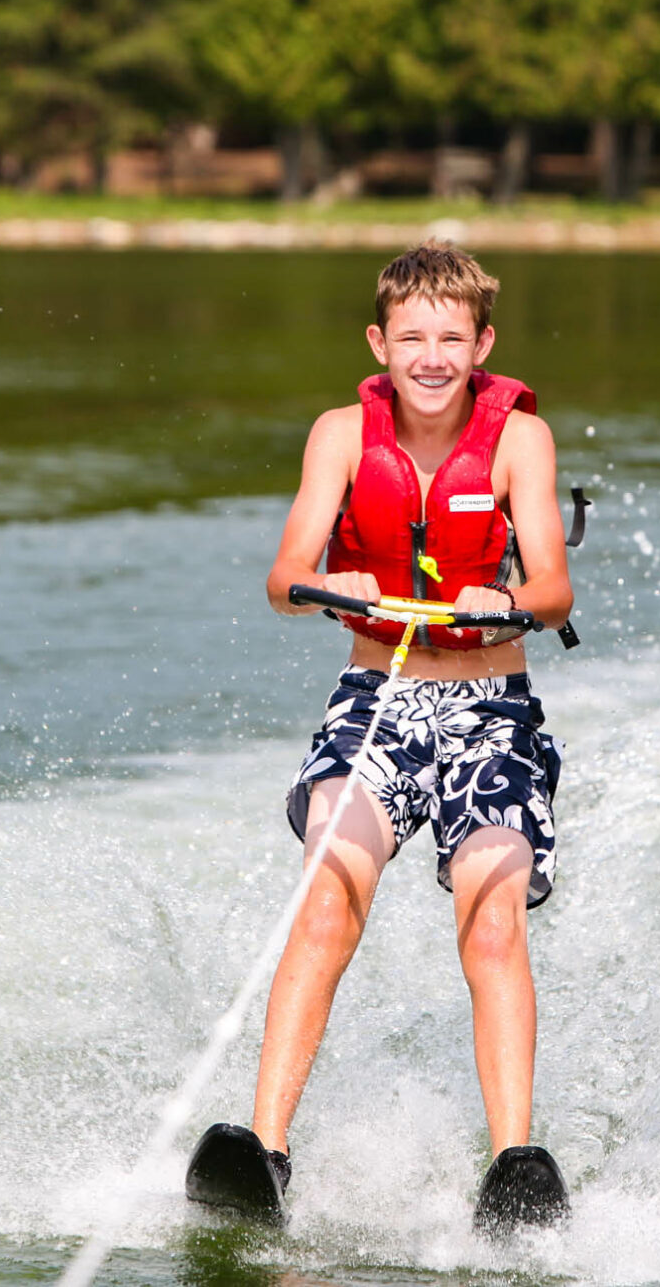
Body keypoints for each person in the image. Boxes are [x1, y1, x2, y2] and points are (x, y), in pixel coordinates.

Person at [214, 241, 575, 1226]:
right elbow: (284, 575)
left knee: (490, 917)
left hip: (489, 711)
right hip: (375, 699)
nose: (429, 354)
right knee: (328, 894)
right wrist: (338, 583)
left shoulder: (517, 443)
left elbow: (552, 587)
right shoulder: (338, 433)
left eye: (450, 337)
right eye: (410, 335)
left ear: (481, 343)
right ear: (378, 341)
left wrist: (496, 596)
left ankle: (513, 1164)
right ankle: (266, 1153)